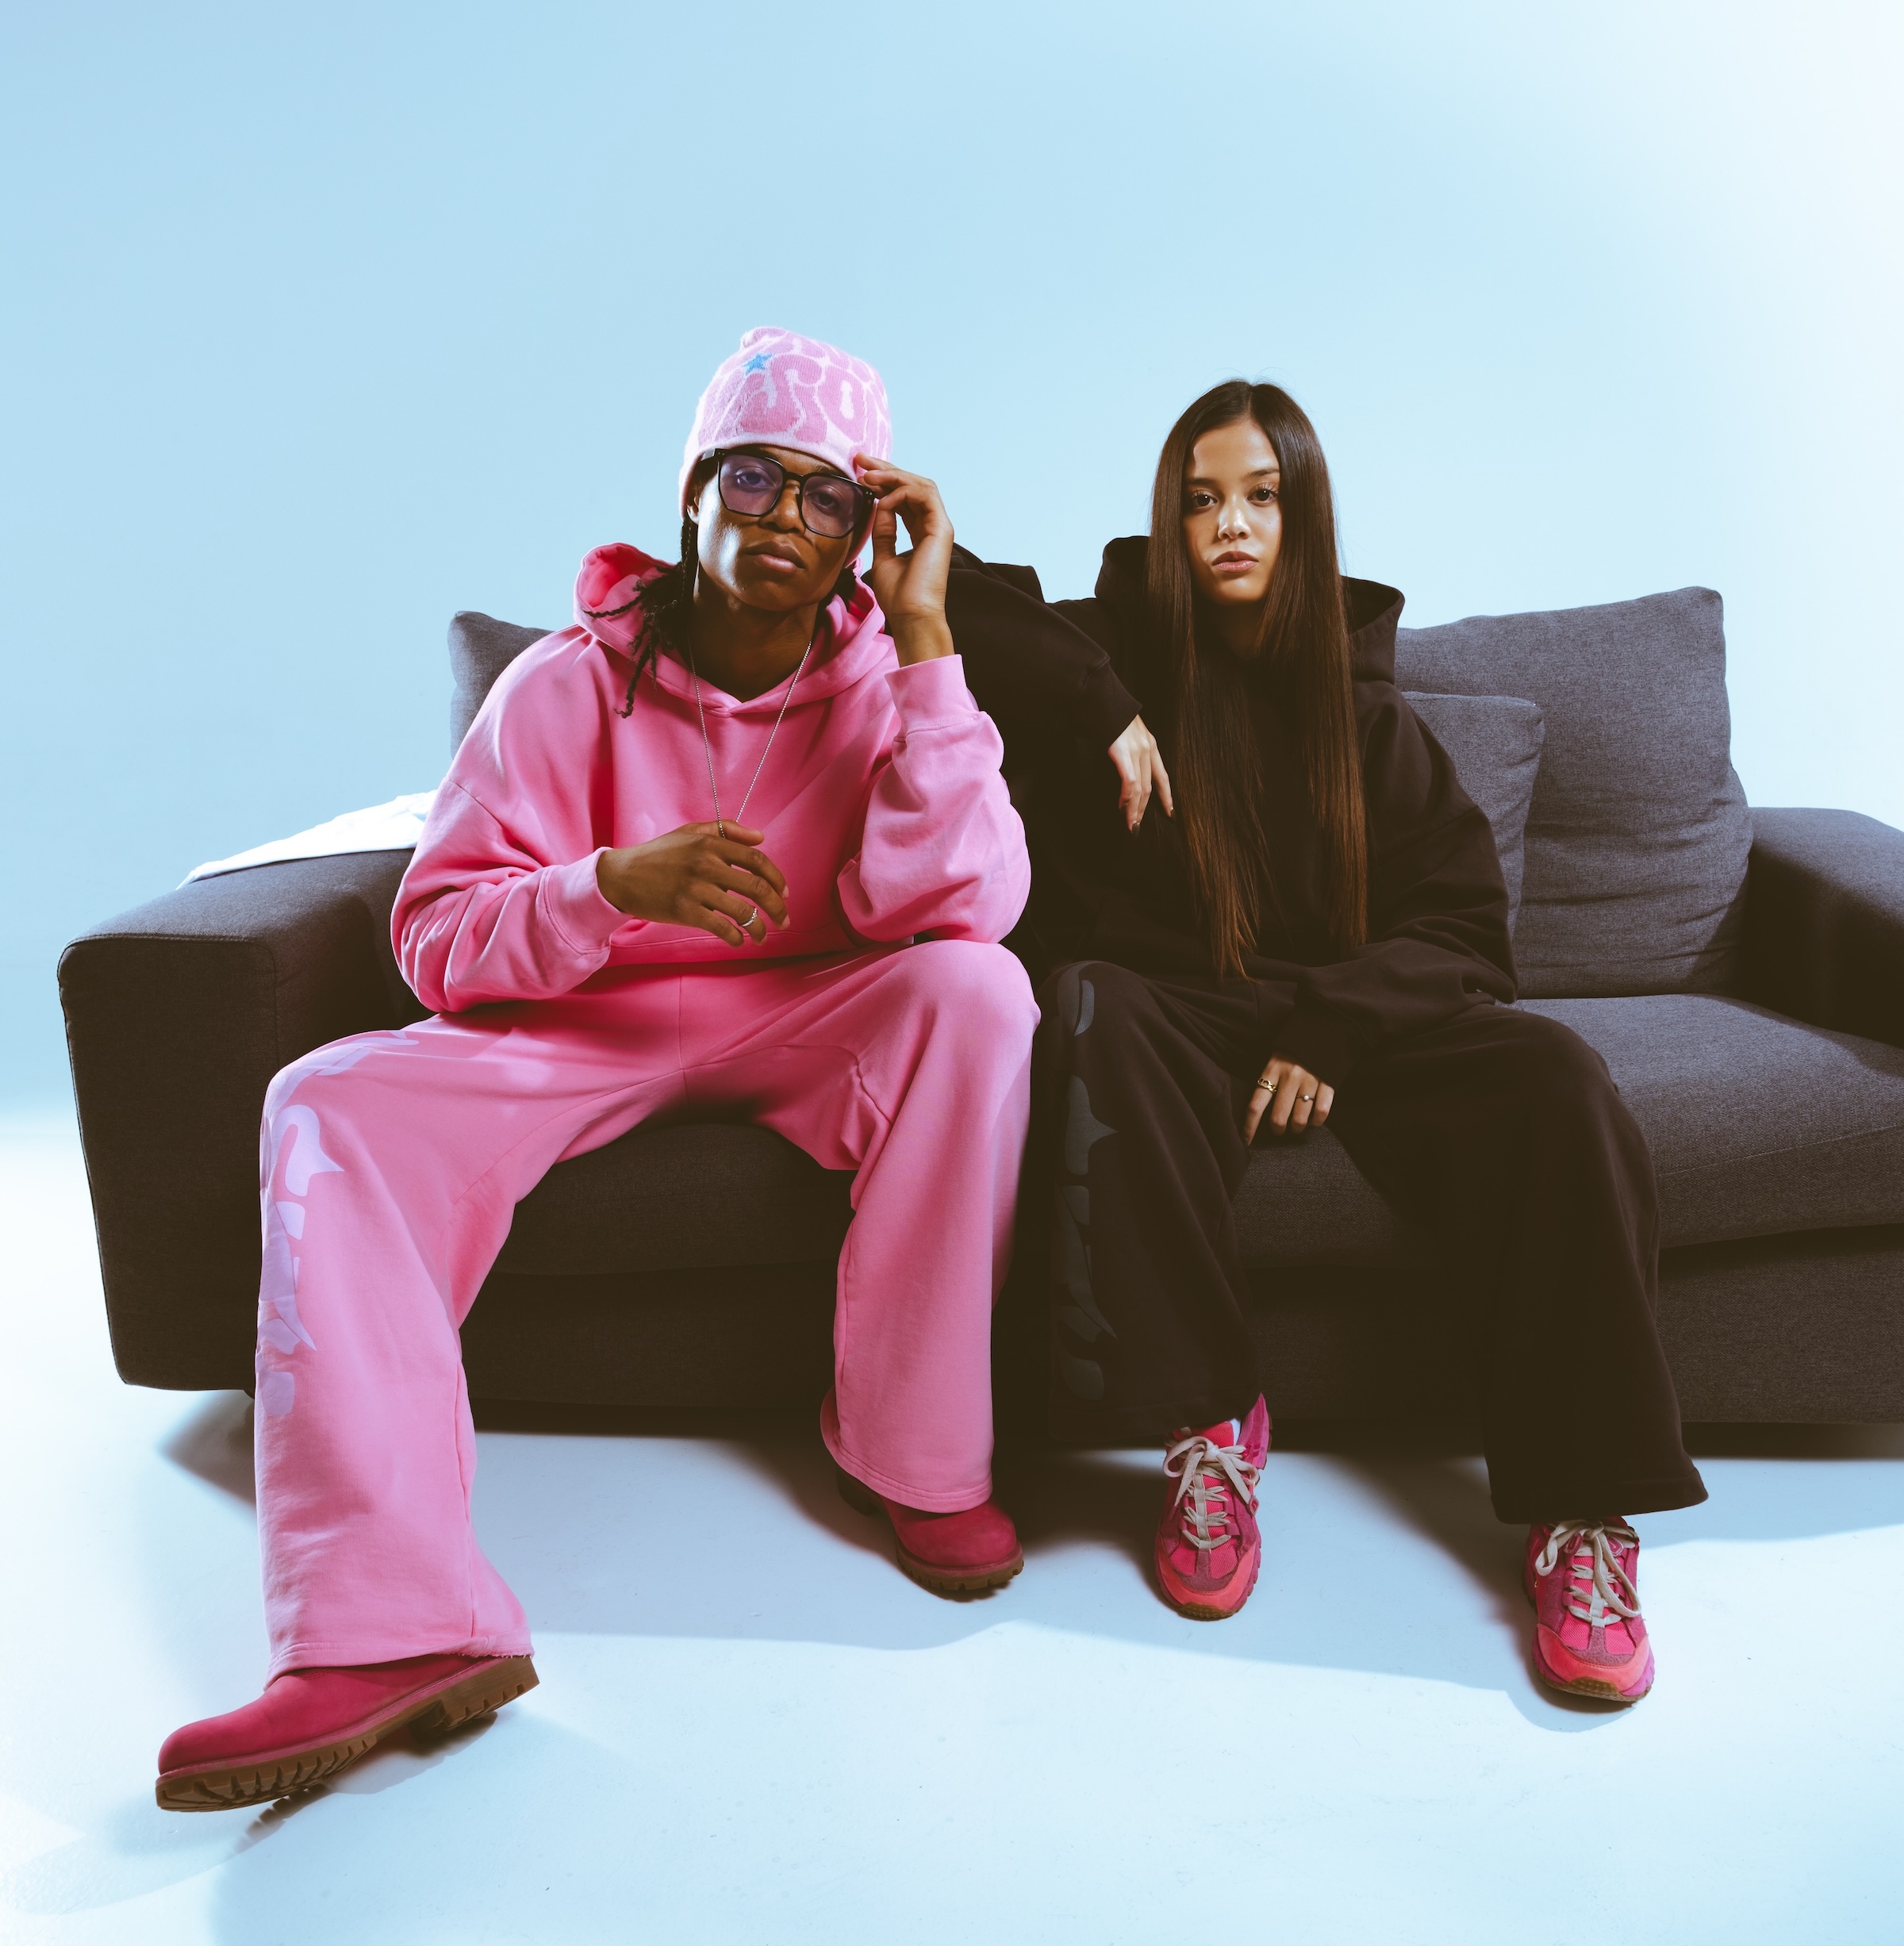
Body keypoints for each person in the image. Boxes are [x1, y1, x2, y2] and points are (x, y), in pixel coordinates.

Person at [155, 327, 1043, 1810]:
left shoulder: (893, 684)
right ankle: (389, 1628)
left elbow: (967, 906)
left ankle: (914, 1454)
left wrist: (930, 636)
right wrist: (609, 887)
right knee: (324, 1102)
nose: (785, 516)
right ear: (694, 492)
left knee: (979, 991)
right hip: (584, 1026)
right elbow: (433, 940)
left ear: (863, 535)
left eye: (828, 496)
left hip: (803, 1012)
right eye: (752, 478)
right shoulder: (561, 689)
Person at [971, 378, 1705, 1704]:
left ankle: (1583, 1515)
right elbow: (953, 599)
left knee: (1555, 1076)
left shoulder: (1369, 716)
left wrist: (1336, 1026)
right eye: (1201, 501)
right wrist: (1105, 705)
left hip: (1347, 1012)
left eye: (1261, 498)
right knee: (1088, 1003)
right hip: (1178, 1007)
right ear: (1168, 521)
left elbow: (1466, 928)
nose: (1230, 527)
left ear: (1302, 519)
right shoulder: (1107, 648)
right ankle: (1211, 1429)